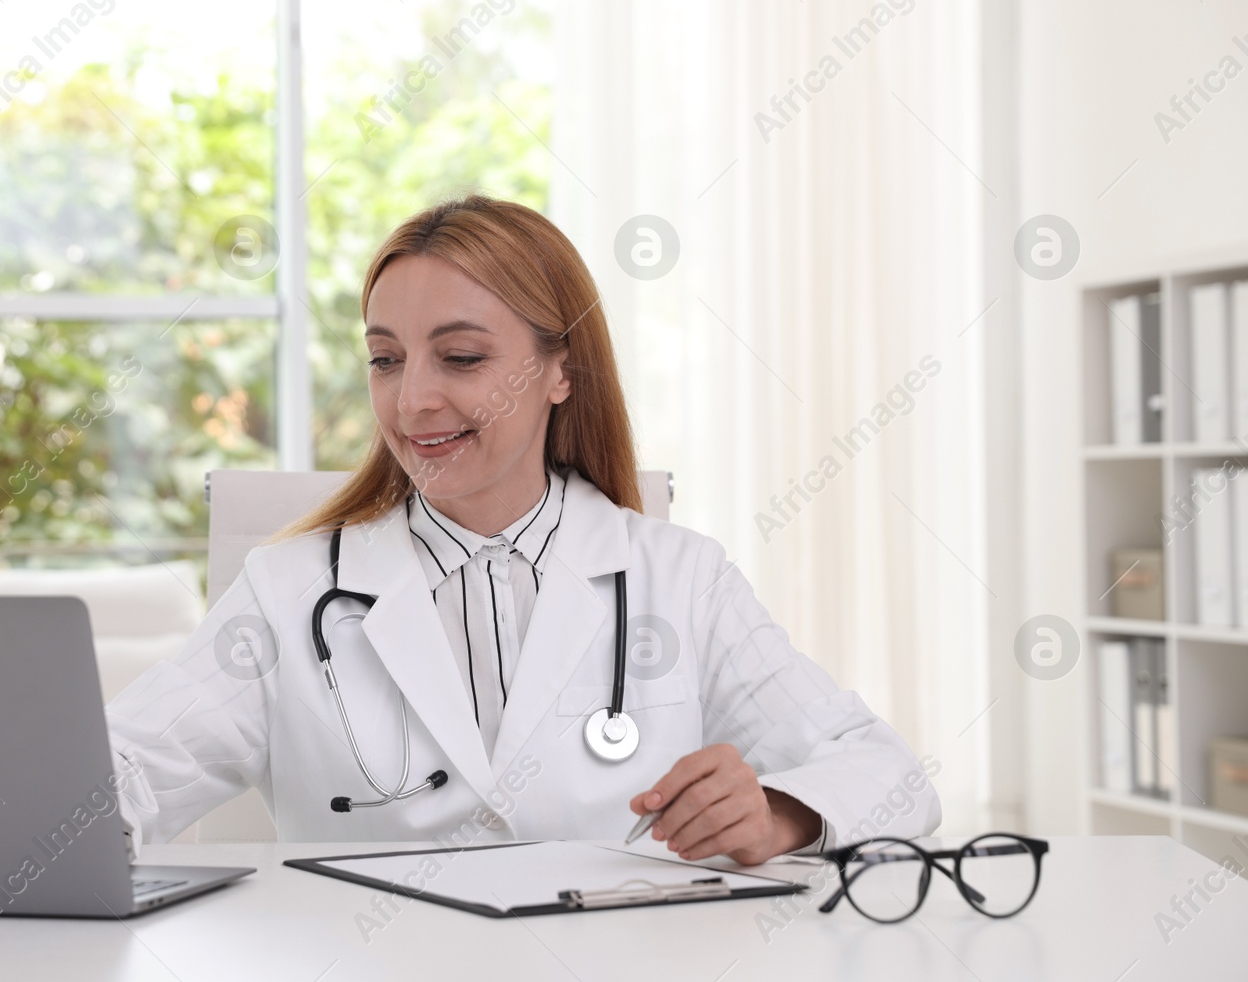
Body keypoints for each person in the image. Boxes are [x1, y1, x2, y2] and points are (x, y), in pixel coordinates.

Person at [107, 194, 940, 864]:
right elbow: (122, 767)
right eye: (386, 358)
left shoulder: (680, 579)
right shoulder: (289, 591)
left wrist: (778, 814)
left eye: (461, 357)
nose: (411, 400)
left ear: (560, 370)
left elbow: (890, 776)